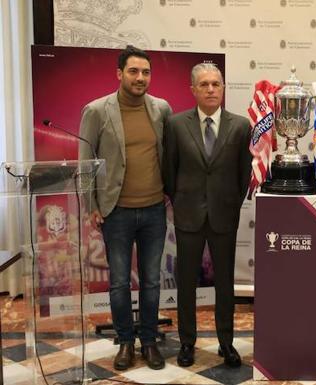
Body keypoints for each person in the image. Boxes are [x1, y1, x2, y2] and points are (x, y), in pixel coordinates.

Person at [79, 45, 172, 370]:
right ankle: (124, 343)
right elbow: (85, 163)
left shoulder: (161, 108)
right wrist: (91, 205)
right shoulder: (96, 110)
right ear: (119, 74)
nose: (140, 78)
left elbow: (168, 156)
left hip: (153, 211)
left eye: (146, 72)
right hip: (115, 211)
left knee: (151, 281)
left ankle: (148, 341)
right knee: (119, 282)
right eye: (133, 71)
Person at [162, 63, 252, 368]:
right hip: (188, 216)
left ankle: (226, 343)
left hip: (224, 216)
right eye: (204, 84)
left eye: (216, 83)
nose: (211, 89)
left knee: (225, 283)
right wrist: (184, 201)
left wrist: (227, 203)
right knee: (186, 282)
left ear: (223, 88)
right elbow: (169, 172)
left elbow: (243, 177)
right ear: (193, 90)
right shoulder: (175, 125)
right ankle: (187, 343)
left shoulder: (240, 126)